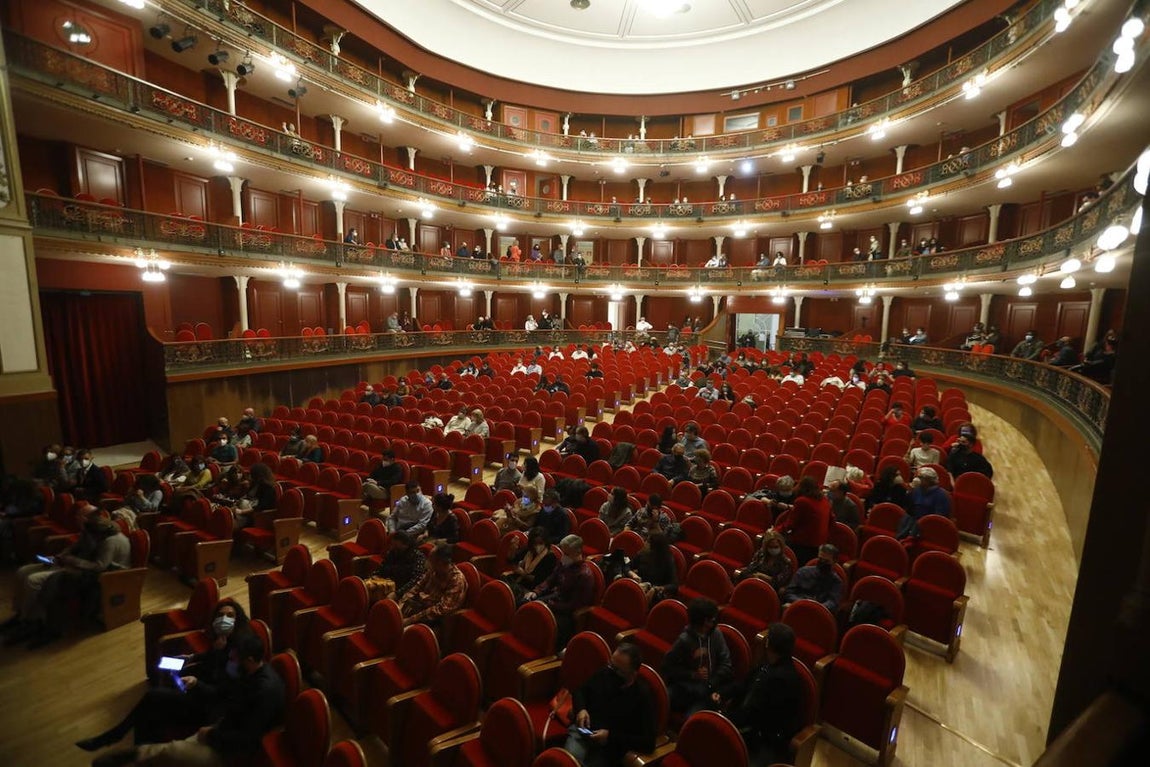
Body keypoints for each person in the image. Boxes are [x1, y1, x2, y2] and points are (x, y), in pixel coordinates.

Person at [77, 600, 254, 753]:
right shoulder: (221, 640)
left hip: (211, 707)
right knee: (155, 700)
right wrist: (191, 657)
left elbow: (222, 693)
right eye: (220, 615)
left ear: (238, 620)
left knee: (153, 697)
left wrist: (197, 682)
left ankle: (116, 736)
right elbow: (209, 658)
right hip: (201, 688)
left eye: (230, 615)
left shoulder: (239, 652)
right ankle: (139, 748)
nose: (224, 619)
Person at [89, 631, 284, 767]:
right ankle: (138, 754)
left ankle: (136, 756)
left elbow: (247, 739)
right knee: (156, 704)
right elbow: (222, 694)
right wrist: (197, 684)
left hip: (231, 749)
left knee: (173, 751)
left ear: (249, 660)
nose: (230, 662)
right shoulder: (248, 672)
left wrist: (211, 734)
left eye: (233, 659)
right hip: (221, 725)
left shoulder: (263, 692)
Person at [4, 511, 129, 647]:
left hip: (98, 575)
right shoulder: (91, 531)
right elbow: (75, 547)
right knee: (22, 571)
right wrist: (60, 556)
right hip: (77, 565)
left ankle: (30, 621)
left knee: (33, 580)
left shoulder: (110, 541)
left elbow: (99, 566)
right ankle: (20, 613)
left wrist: (71, 560)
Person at [721, 623, 803, 767]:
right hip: (750, 724)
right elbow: (744, 684)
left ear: (768, 644)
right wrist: (722, 693)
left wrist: (726, 719)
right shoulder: (768, 664)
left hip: (765, 740)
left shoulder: (781, 679)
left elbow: (756, 714)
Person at [565, 643, 657, 767]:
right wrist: (582, 709)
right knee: (569, 761)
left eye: (618, 671)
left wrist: (610, 737)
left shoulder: (642, 697)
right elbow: (580, 691)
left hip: (607, 749)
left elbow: (648, 743)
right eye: (611, 665)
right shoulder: (606, 672)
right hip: (583, 732)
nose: (612, 672)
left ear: (633, 674)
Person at [662, 598, 733, 716]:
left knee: (691, 718)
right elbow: (667, 666)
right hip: (686, 686)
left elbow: (726, 665)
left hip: (709, 689)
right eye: (712, 618)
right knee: (661, 699)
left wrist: (711, 683)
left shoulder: (716, 635)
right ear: (705, 621)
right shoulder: (684, 640)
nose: (714, 620)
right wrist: (692, 674)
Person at [524, 534, 596, 649]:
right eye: (563, 553)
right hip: (554, 599)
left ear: (578, 552)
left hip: (565, 613)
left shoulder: (584, 575)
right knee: (527, 604)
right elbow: (550, 580)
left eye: (567, 554)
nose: (563, 556)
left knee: (539, 620)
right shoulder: (564, 563)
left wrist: (550, 605)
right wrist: (536, 591)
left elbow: (574, 604)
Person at [398, 543, 467, 627]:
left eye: (431, 560)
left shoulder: (457, 580)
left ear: (440, 562)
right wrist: (402, 602)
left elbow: (441, 609)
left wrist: (411, 620)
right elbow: (418, 586)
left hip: (432, 619)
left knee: (401, 630)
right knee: (392, 617)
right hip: (418, 606)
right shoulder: (434, 570)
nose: (428, 562)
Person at [501, 527, 557, 602]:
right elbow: (511, 561)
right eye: (535, 543)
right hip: (519, 580)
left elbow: (539, 580)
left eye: (540, 543)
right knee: (502, 581)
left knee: (514, 594)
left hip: (532, 587)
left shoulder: (550, 557)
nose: (537, 546)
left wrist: (522, 573)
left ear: (546, 542)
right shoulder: (529, 549)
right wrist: (512, 549)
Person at [781, 544, 843, 612]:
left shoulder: (836, 581)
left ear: (834, 562)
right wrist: (803, 603)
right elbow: (789, 592)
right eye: (820, 559)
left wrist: (815, 607)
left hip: (818, 611)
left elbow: (832, 602)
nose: (822, 563)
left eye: (826, 561)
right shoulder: (803, 572)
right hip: (798, 606)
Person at [369, 530, 427, 600]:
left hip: (402, 588)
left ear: (406, 545)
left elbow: (415, 581)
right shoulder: (394, 550)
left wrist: (397, 593)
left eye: (396, 546)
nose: (392, 548)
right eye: (392, 545)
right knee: (367, 587)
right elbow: (383, 566)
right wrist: (375, 575)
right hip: (387, 582)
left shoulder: (418, 557)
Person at [786, 476, 831, 565]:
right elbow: (832, 520)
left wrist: (775, 530)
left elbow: (791, 524)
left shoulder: (801, 501)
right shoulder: (825, 500)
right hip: (820, 544)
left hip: (803, 543)